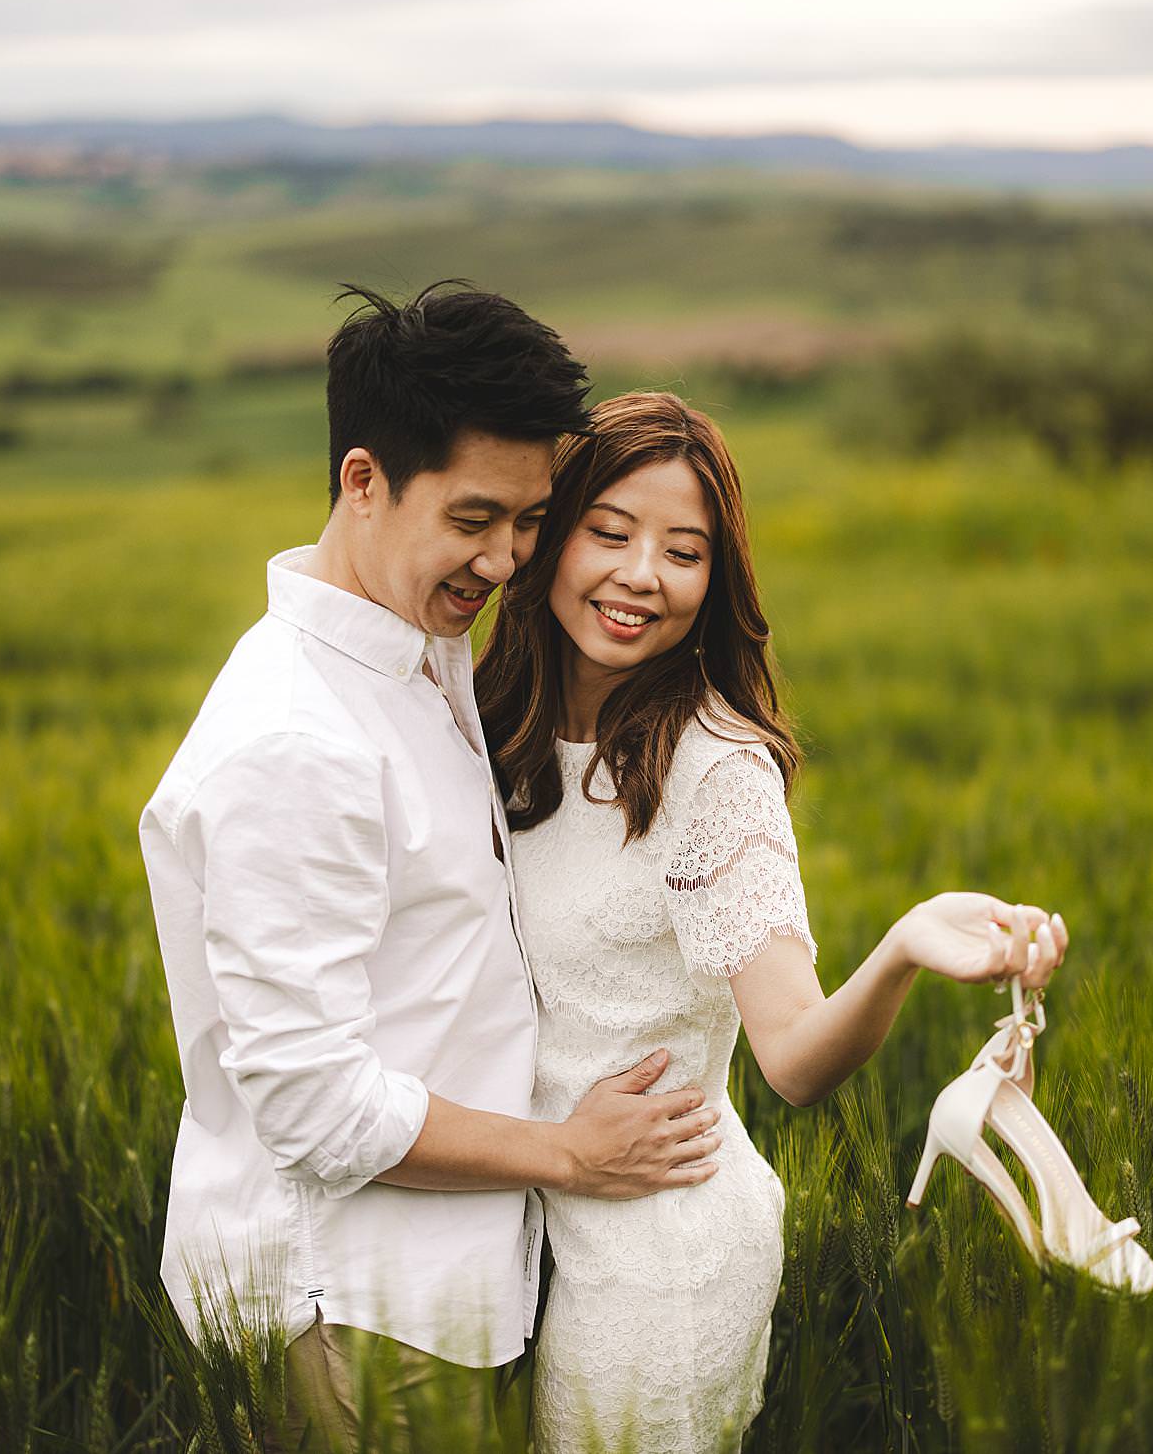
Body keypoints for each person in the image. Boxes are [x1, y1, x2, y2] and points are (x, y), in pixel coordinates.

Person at [139, 286, 727, 1453]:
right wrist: (570, 1153)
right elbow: (311, 1106)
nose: (505, 560)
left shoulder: (417, 655)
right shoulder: (298, 742)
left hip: (435, 1291)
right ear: (363, 481)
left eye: (526, 520)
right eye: (473, 518)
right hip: (356, 1307)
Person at [475, 391, 1070, 1454]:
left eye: (684, 551)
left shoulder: (713, 770)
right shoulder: (493, 725)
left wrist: (898, 948)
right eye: (608, 532)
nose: (640, 575)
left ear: (717, 582)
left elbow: (792, 1057)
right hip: (517, 1219)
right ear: (550, 537)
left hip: (658, 1254)